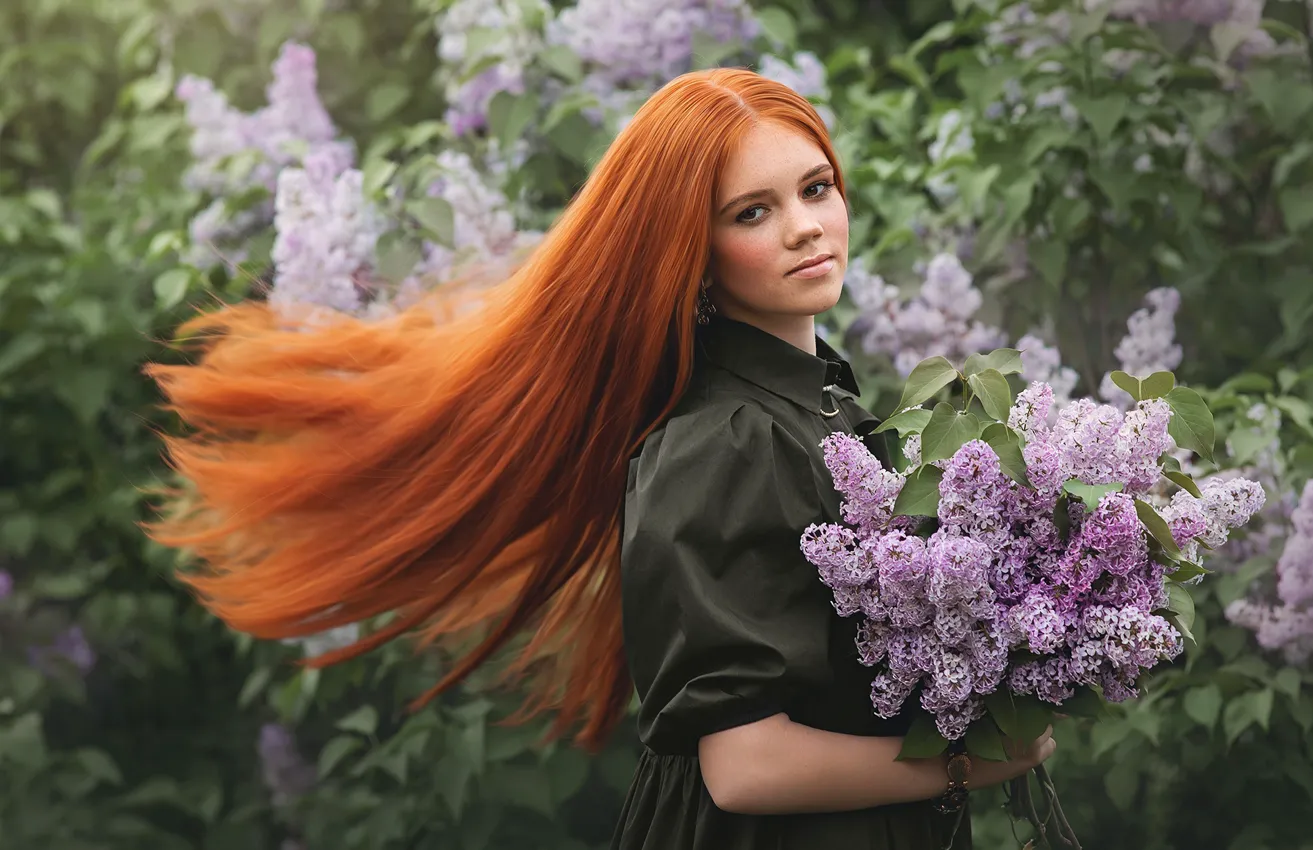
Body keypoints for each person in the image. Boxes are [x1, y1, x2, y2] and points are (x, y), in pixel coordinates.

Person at [145, 68, 1055, 849]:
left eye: (816, 189)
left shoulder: (824, 404)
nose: (804, 228)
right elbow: (746, 766)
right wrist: (966, 765)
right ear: (693, 250)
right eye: (753, 212)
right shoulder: (724, 444)